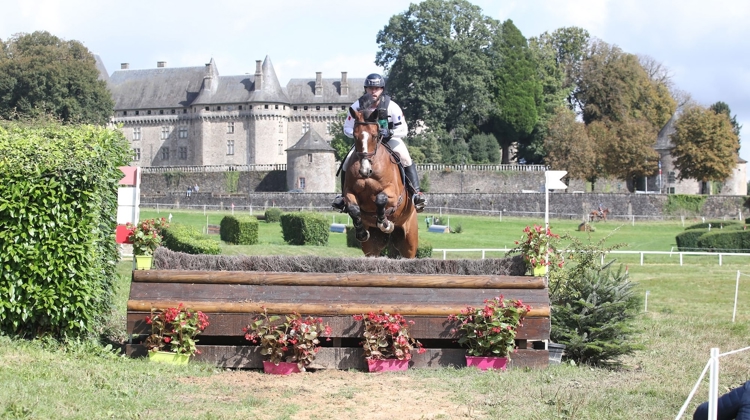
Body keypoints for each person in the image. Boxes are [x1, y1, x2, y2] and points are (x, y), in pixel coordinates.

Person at [332, 73, 426, 213]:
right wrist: (359, 135)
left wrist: (390, 132)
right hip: (366, 143)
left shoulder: (391, 106)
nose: (373, 91)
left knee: (405, 157)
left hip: (389, 139)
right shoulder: (357, 106)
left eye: (376, 88)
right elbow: (346, 127)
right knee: (346, 162)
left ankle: (416, 194)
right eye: (370, 88)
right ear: (366, 89)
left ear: (382, 89)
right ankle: (343, 197)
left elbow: (404, 129)